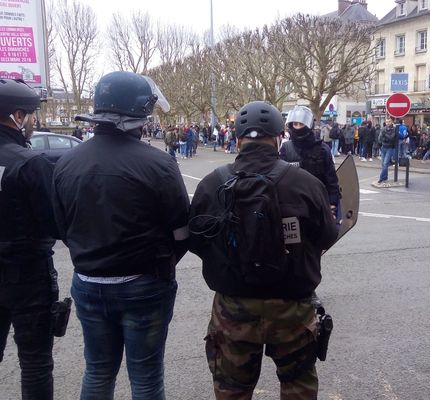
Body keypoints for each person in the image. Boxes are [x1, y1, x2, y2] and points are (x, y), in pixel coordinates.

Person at [52, 71, 189, 400]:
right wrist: (160, 264)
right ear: (140, 114)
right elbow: (182, 231)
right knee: (146, 377)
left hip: (88, 281)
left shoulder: (66, 163)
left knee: (97, 371)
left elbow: (61, 228)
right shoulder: (159, 164)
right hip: (144, 284)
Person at [188, 101, 338, 399]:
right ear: (279, 137)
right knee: (298, 386)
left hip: (233, 306)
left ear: (237, 138)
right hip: (293, 306)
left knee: (232, 389)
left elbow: (195, 240)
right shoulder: (306, 184)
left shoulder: (212, 184)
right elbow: (328, 235)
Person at [0, 79, 59, 400]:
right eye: (33, 115)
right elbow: (54, 222)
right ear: (17, 116)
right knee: (35, 362)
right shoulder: (29, 162)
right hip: (28, 275)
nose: (34, 122)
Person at [280, 105, 341, 213]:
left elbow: (332, 181)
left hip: (318, 204)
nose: (298, 127)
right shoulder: (286, 148)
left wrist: (332, 206)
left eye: (301, 124)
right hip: (293, 206)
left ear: (309, 125)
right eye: (295, 124)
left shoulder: (323, 150)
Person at [377, 118, 398, 184]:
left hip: (390, 148)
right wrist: (384, 139)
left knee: (385, 163)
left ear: (391, 122)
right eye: (386, 122)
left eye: (389, 122)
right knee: (383, 164)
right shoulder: (383, 129)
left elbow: (391, 138)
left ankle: (381, 178)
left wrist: (385, 136)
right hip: (383, 147)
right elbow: (380, 138)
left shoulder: (394, 129)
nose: (387, 123)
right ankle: (385, 177)